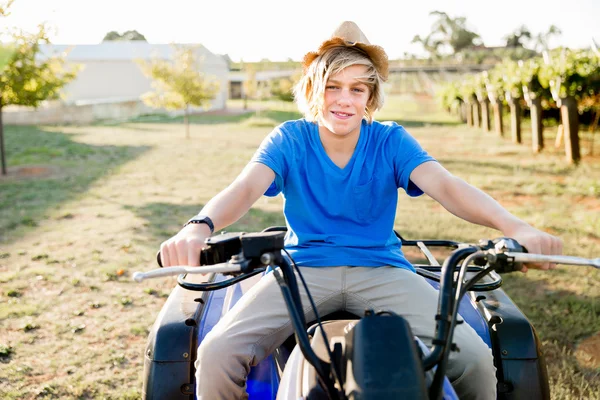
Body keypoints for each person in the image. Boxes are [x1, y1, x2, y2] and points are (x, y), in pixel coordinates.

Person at [159, 21, 563, 400]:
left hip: (381, 270)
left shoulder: (390, 140)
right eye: (333, 86)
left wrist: (516, 226)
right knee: (214, 355)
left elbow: (447, 187)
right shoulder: (290, 138)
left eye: (357, 89)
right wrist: (199, 226)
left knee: (474, 360)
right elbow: (245, 187)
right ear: (314, 89)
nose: (344, 100)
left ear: (371, 96)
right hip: (304, 271)